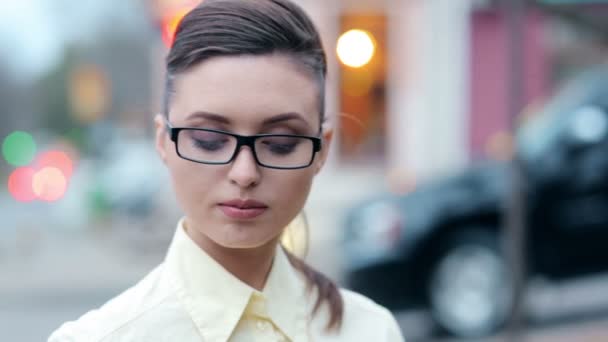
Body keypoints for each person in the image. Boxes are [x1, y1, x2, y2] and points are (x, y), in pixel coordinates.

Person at [48, 0, 405, 341]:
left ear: (322, 148)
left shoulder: (371, 330)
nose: (245, 173)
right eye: (208, 139)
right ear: (163, 141)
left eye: (280, 142)